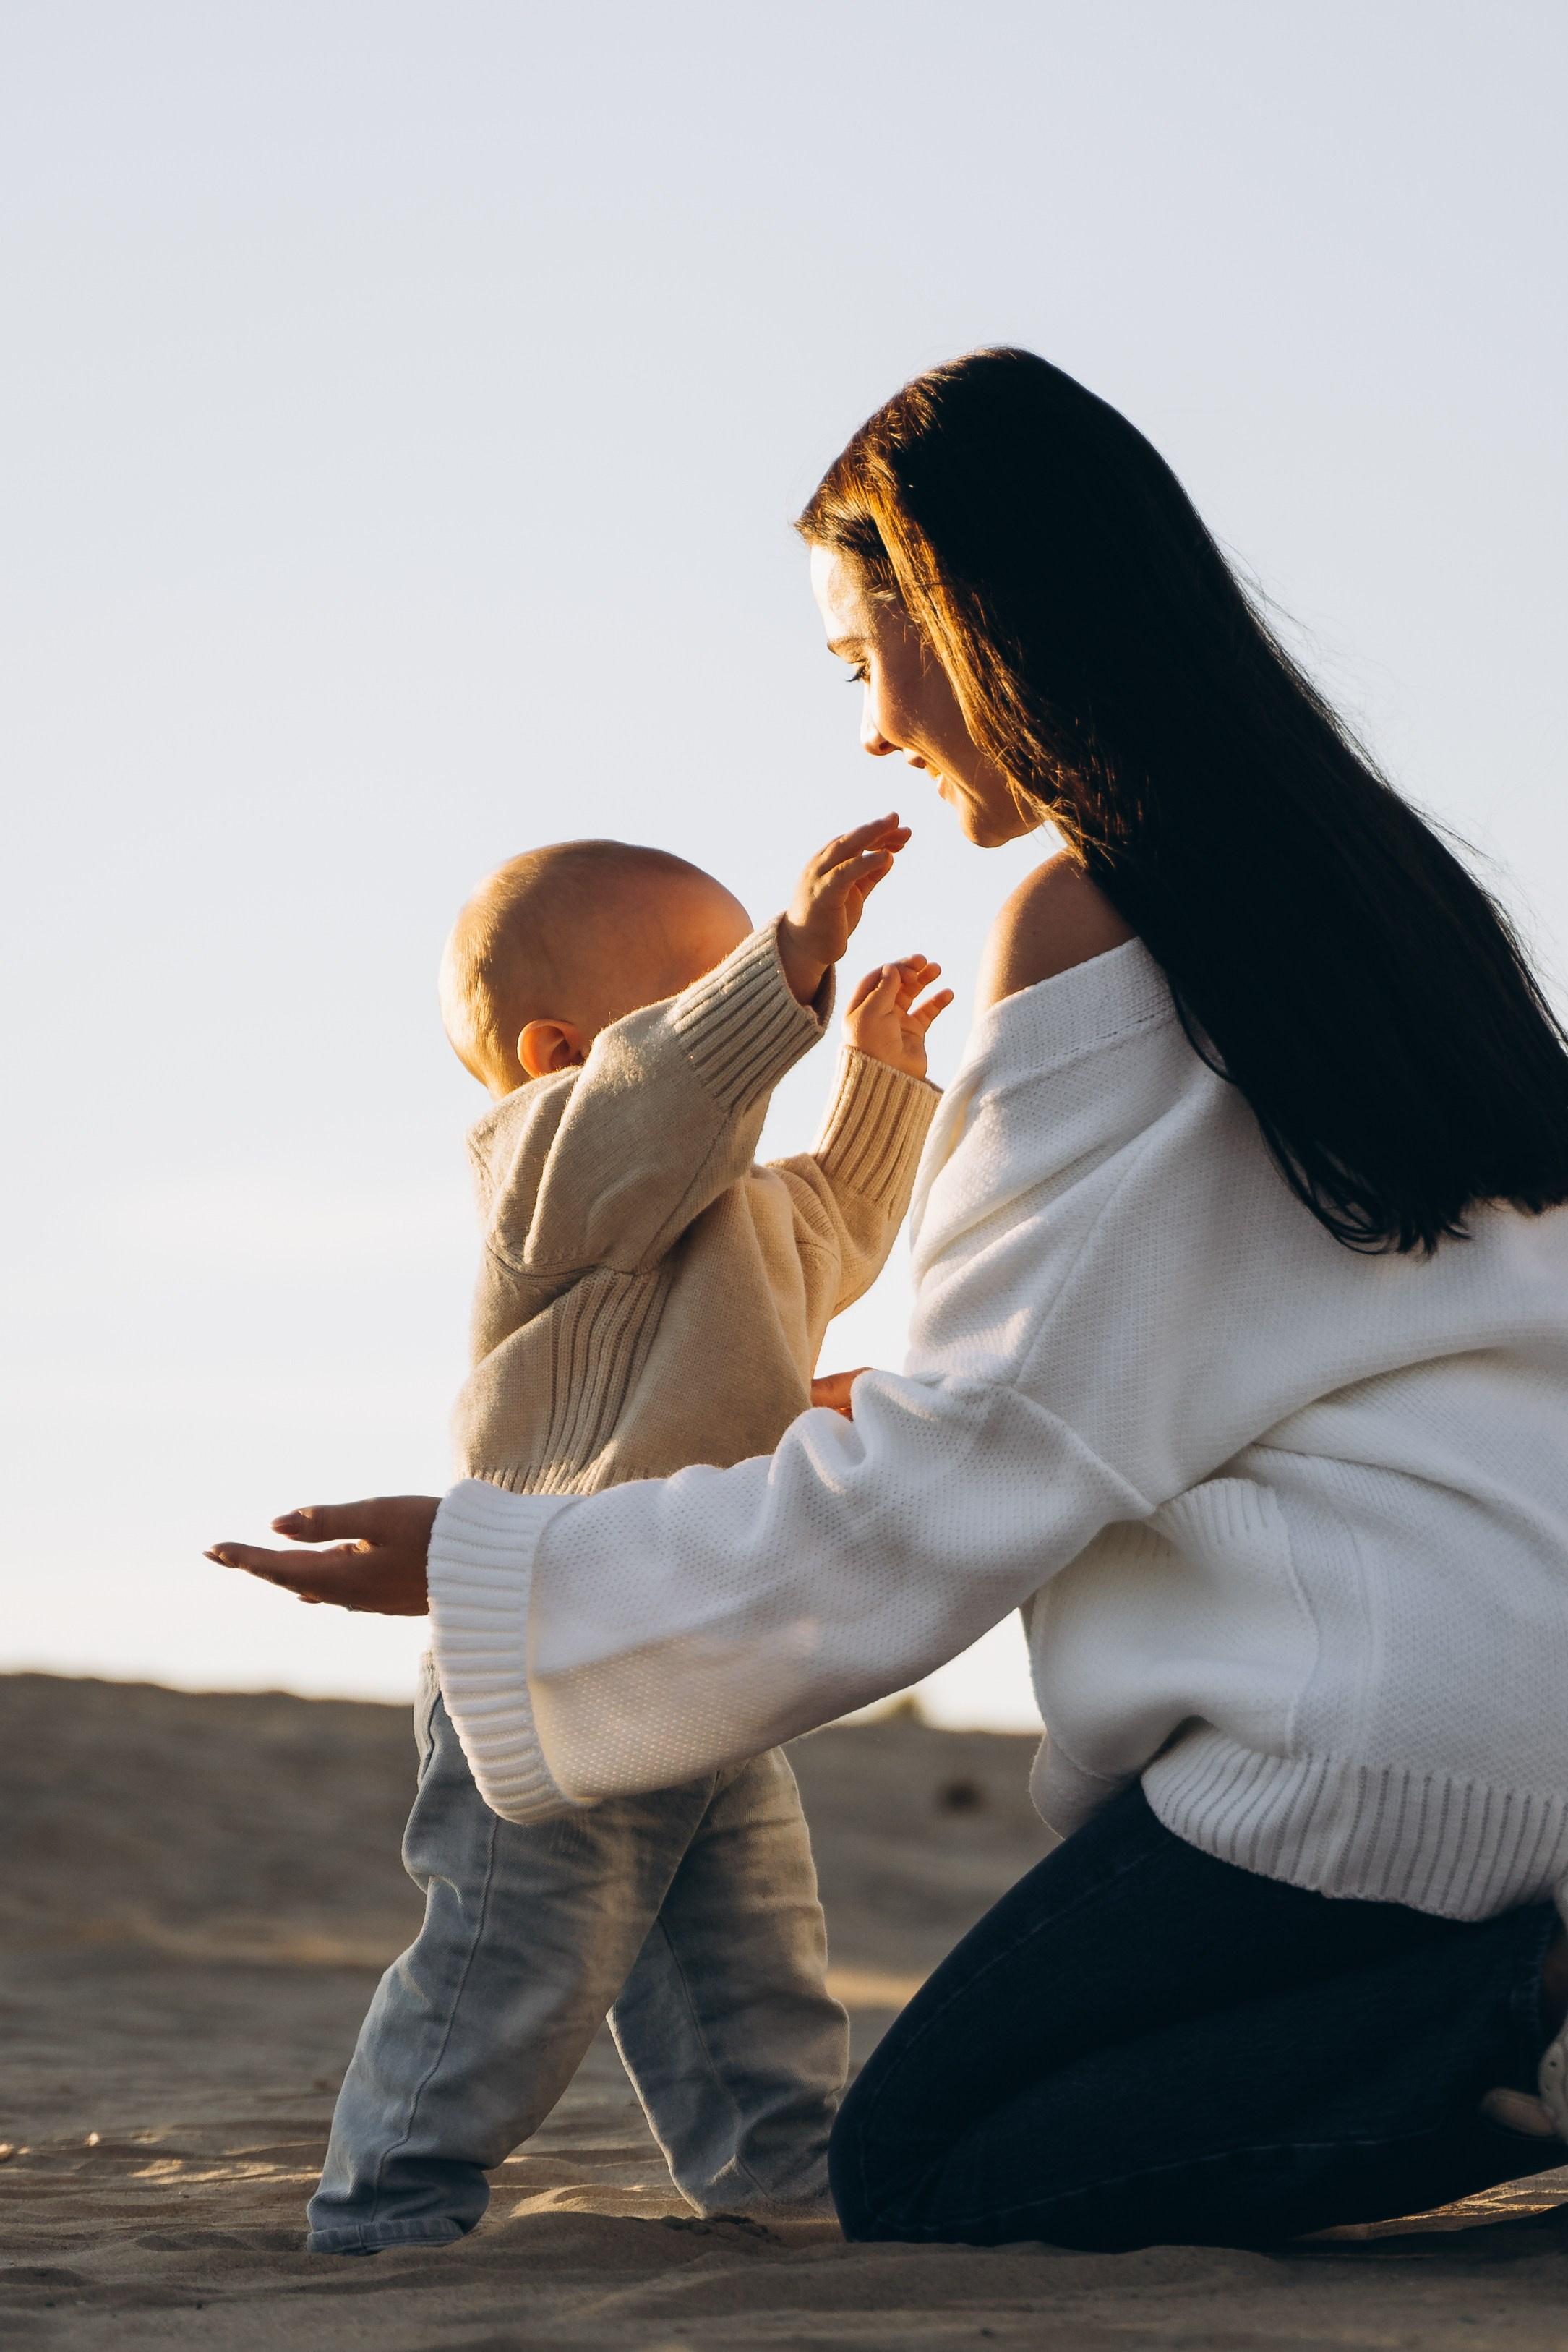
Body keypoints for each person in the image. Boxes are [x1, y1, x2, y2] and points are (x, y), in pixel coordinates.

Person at [213, 347, 1568, 2252]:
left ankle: (1526, 2030)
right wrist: (932, 1400)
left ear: (964, 612)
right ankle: (1506, 2016)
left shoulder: (1088, 911)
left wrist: (501, 1563)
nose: (867, 729)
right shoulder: (1385, 895)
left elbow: (973, 1471)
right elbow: (1273, 1342)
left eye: (861, 658)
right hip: (1529, 1705)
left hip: (1368, 1743)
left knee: (920, 2167)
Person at [252, 825, 947, 2251]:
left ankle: (779, 2175)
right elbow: (657, 1104)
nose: (753, 1015)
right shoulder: (547, 1178)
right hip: (552, 1643)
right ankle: (387, 2204)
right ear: (559, 1054)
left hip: (703, 1637)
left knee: (751, 1949)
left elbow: (836, 1221)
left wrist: (878, 1080)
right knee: (512, 1963)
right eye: (705, 988)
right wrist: (788, 961)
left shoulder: (735, 1210)